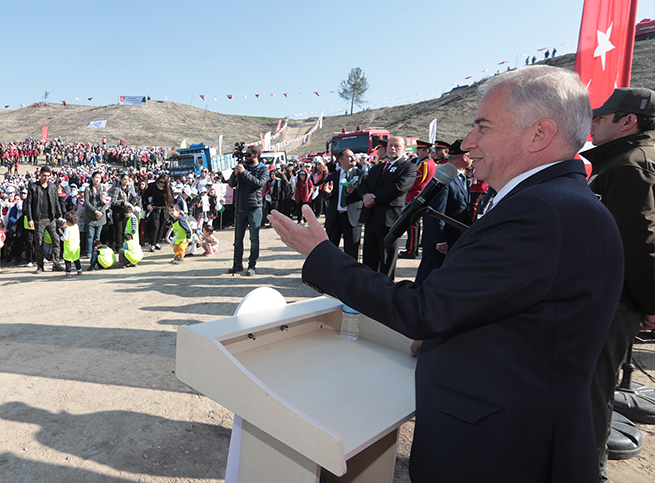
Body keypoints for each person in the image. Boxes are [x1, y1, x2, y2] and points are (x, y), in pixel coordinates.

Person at [268, 65, 625, 483]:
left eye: (482, 127)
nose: (468, 143)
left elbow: (423, 310)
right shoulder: (556, 201)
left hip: (500, 451)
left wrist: (321, 255)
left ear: (539, 134)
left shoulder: (541, 212)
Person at [582, 87, 655, 481]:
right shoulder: (627, 159)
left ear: (628, 121)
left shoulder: (631, 164)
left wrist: (650, 303)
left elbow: (641, 243)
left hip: (612, 301)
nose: (592, 123)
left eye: (601, 116)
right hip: (609, 297)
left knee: (591, 396)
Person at [346, 136, 417, 279]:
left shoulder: (408, 167)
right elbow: (364, 183)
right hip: (371, 217)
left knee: (386, 259)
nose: (392, 148)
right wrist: (365, 195)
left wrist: (373, 199)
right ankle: (369, 286)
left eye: (397, 146)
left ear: (404, 149)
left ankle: (386, 288)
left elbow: (399, 188)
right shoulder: (377, 167)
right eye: (390, 145)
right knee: (369, 258)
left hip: (389, 219)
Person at [413, 140, 472, 286]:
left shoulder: (460, 177)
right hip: (440, 240)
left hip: (453, 237)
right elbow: (436, 212)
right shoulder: (445, 178)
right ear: (465, 157)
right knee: (428, 275)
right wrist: (440, 240)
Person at [227, 145, 269, 276]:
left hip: (255, 208)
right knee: (238, 238)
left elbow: (258, 184)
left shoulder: (263, 169)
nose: (246, 157)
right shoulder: (242, 168)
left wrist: (244, 172)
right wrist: (235, 174)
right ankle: (237, 264)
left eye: (248, 154)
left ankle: (252, 265)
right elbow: (231, 184)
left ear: (255, 156)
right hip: (240, 208)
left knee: (254, 239)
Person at [322, 149, 364, 260]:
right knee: (330, 251)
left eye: (353, 155)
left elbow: (364, 194)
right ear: (341, 160)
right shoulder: (332, 177)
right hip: (334, 218)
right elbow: (325, 196)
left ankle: (350, 271)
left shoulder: (361, 174)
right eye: (349, 156)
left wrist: (354, 191)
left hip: (352, 219)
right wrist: (327, 193)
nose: (353, 158)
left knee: (352, 252)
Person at [400, 140, 437, 259]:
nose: (417, 152)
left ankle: (411, 250)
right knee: (413, 223)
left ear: (426, 151)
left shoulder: (424, 164)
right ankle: (412, 249)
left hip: (415, 195)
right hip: (418, 195)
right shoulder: (427, 162)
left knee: (412, 223)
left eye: (419, 150)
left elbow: (417, 181)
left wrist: (405, 187)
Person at [28, 166, 64, 273]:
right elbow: (28, 204)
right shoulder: (33, 187)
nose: (46, 178)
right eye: (44, 175)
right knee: (39, 243)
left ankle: (56, 264)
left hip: (51, 218)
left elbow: (56, 201)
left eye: (48, 176)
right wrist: (30, 218)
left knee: (56, 240)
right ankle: (40, 266)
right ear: (40, 175)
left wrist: (60, 215)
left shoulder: (52, 187)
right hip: (39, 219)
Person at [83, 172, 108, 256]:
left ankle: (96, 251)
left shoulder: (103, 188)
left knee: (97, 236)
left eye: (99, 178)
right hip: (90, 216)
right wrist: (95, 211)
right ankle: (89, 251)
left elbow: (106, 202)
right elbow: (87, 202)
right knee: (90, 235)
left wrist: (101, 212)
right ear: (92, 178)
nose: (97, 180)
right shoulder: (88, 189)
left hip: (101, 216)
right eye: (96, 178)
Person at [61, 211, 82, 277]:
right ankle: (79, 270)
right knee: (76, 258)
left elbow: (65, 238)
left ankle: (68, 272)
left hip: (69, 247)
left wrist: (61, 237)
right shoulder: (76, 226)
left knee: (67, 259)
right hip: (76, 246)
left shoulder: (67, 229)